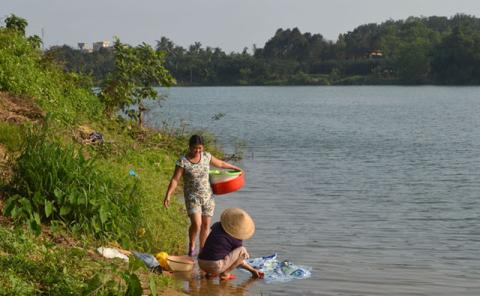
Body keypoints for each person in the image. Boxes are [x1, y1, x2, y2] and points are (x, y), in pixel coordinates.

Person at [163, 135, 242, 257]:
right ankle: (192, 244)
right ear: (189, 147)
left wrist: (234, 167)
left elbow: (220, 164)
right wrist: (168, 195)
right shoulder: (182, 161)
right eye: (195, 148)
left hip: (208, 197)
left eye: (200, 148)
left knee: (205, 225)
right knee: (197, 224)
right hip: (192, 197)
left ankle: (203, 251)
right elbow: (175, 180)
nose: (197, 151)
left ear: (203, 147)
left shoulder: (206, 156)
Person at [198, 208, 264, 280]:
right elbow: (239, 259)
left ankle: (210, 274)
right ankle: (225, 274)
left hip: (201, 262)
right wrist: (252, 270)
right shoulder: (236, 240)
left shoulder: (217, 225)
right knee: (242, 251)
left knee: (217, 249)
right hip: (215, 266)